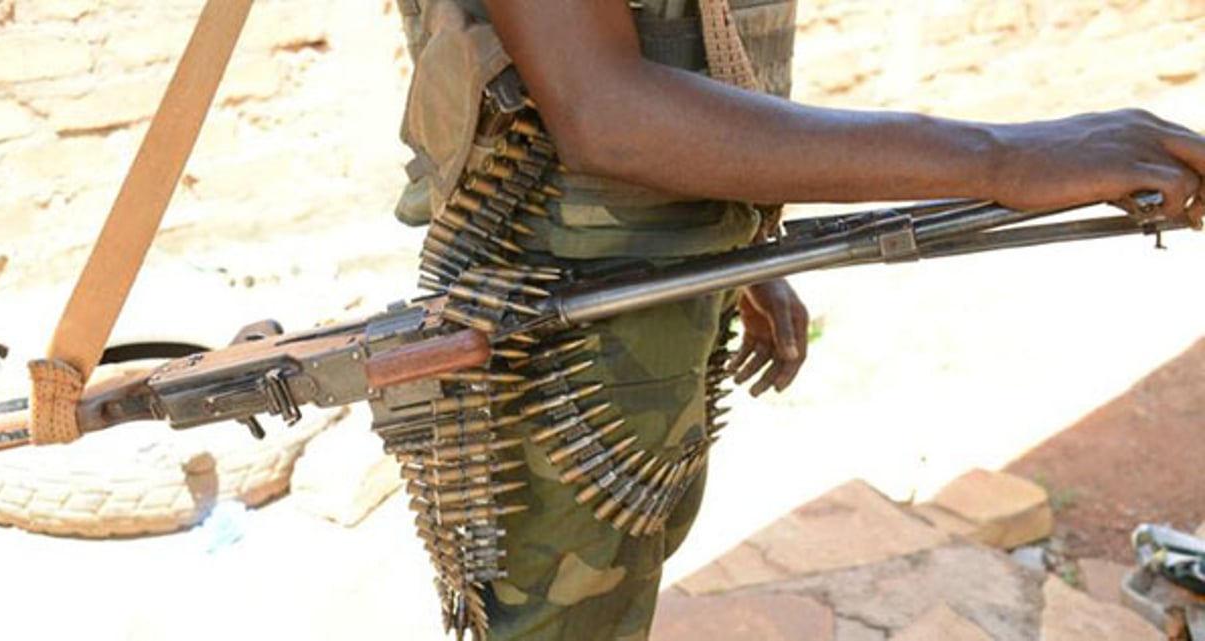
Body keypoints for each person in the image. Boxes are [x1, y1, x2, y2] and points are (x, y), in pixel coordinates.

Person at [391, 1, 1205, 640]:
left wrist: (746, 237)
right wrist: (1002, 158)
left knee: (620, 580)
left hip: (658, 278)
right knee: (565, 617)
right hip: (559, 311)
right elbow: (601, 108)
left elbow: (690, 37)